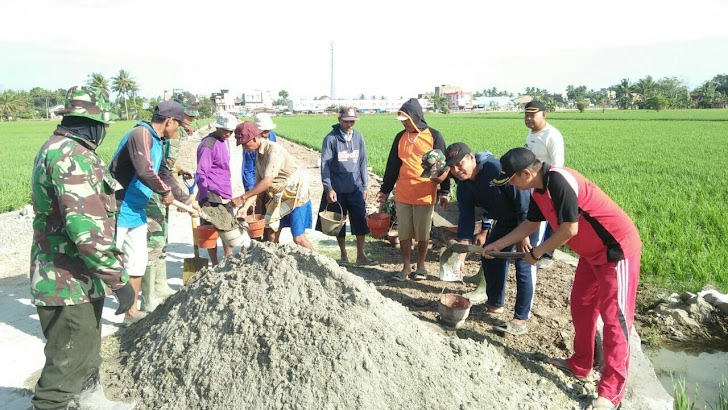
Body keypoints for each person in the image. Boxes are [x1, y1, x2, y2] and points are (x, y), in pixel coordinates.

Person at [485, 147, 642, 410]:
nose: (511, 185)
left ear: (526, 173)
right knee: (581, 304)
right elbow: (529, 225)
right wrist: (498, 244)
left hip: (616, 251)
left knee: (616, 318)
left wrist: (538, 252)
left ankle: (611, 392)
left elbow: (570, 228)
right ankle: (581, 364)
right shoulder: (538, 190)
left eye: (512, 179)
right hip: (591, 254)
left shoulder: (558, 180)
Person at [30, 85, 135, 409]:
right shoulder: (70, 156)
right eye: (103, 126)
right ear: (93, 124)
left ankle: (92, 400)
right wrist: (120, 281)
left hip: (78, 279)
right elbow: (86, 232)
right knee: (64, 370)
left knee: (87, 354)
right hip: (65, 282)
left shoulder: (58, 148)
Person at [441, 143, 540, 335]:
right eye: (452, 167)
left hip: (529, 219)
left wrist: (524, 235)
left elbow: (523, 199)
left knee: (524, 265)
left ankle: (520, 319)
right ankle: (495, 304)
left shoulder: (494, 170)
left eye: (460, 164)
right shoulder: (463, 187)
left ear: (471, 158)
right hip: (504, 221)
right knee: (490, 257)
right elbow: (466, 221)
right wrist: (461, 257)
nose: (456, 170)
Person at [109, 100, 184, 326]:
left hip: (137, 210)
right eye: (177, 125)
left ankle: (130, 314)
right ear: (169, 121)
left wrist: (185, 198)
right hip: (118, 207)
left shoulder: (158, 141)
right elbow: (144, 170)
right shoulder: (141, 133)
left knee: (136, 263)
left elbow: (163, 172)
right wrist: (164, 192)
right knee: (105, 261)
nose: (177, 130)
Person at [376, 98, 449, 282]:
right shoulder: (400, 138)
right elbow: (392, 165)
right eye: (402, 120)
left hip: (425, 193)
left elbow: (443, 166)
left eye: (406, 119)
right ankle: (406, 267)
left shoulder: (434, 136)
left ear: (415, 117)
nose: (404, 123)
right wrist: (385, 190)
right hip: (403, 193)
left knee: (423, 233)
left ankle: (421, 266)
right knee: (404, 232)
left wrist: (445, 192)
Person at [140, 91, 200, 312]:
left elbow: (164, 165)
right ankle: (147, 298)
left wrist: (177, 170)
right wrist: (174, 192)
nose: (192, 120)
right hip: (150, 193)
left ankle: (160, 285)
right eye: (188, 116)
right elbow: (152, 168)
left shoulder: (174, 134)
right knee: (152, 241)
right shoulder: (155, 134)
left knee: (162, 238)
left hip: (163, 189)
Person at [232, 121, 314, 250]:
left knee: (298, 238)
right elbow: (258, 188)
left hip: (295, 196)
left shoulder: (274, 151)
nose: (243, 148)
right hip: (278, 198)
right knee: (271, 236)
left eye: (244, 143)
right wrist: (245, 207)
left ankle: (322, 266)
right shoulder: (258, 156)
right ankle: (274, 267)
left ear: (254, 138)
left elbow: (267, 182)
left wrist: (241, 198)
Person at [315, 106, 376, 266]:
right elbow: (325, 166)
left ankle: (361, 255)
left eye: (352, 121)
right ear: (339, 120)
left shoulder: (358, 138)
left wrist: (365, 186)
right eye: (346, 121)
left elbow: (363, 162)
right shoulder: (331, 139)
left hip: (355, 187)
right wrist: (329, 188)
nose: (349, 124)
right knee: (339, 224)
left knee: (360, 221)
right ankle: (343, 256)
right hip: (337, 189)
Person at [523, 100, 565, 266]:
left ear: (544, 114)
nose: (529, 119)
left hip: (547, 184)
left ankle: (546, 254)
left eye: (533, 115)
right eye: (526, 115)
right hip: (532, 185)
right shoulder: (532, 134)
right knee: (535, 220)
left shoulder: (551, 135)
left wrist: (550, 186)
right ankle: (534, 250)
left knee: (551, 219)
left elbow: (557, 165)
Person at [196, 112, 238, 266]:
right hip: (212, 193)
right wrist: (204, 197)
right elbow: (201, 172)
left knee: (228, 229)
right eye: (225, 130)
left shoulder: (224, 141)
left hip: (224, 192)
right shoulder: (209, 144)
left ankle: (228, 260)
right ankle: (214, 263)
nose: (228, 134)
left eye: (231, 131)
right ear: (218, 127)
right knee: (210, 232)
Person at [242, 112, 278, 191]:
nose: (265, 135)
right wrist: (250, 190)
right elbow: (248, 168)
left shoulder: (272, 137)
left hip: (268, 176)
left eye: (267, 131)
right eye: (263, 131)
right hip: (255, 178)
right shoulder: (250, 142)